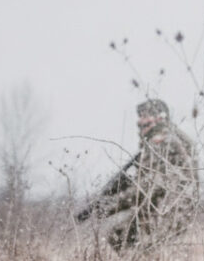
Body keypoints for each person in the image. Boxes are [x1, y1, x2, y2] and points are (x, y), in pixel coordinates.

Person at [76, 98, 197, 251]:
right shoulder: (169, 139)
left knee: (125, 240)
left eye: (144, 116)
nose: (140, 121)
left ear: (158, 118)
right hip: (170, 211)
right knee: (121, 235)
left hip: (167, 213)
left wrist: (110, 206)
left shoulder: (160, 142)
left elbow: (147, 187)